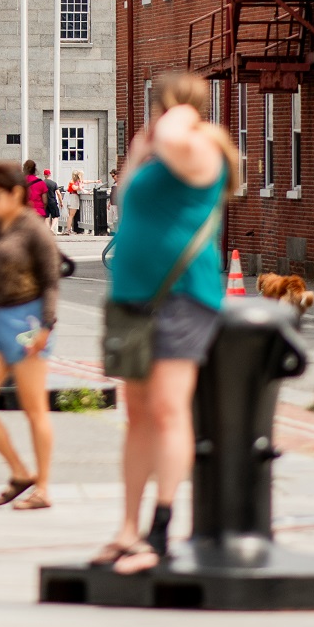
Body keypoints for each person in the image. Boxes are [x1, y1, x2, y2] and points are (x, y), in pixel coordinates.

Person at [95, 71, 241, 575]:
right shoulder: (163, 153)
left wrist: (177, 112)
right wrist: (140, 148)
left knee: (166, 409)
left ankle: (160, 530)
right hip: (134, 298)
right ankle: (128, 529)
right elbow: (123, 197)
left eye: (156, 104)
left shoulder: (198, 147)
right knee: (136, 412)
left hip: (181, 298)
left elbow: (175, 134)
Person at [0, 158, 60, 510]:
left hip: (27, 319)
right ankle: (20, 471)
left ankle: (44, 486)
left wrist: (48, 325)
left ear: (16, 194)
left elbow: (51, 281)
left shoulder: (33, 229)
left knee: (34, 408)